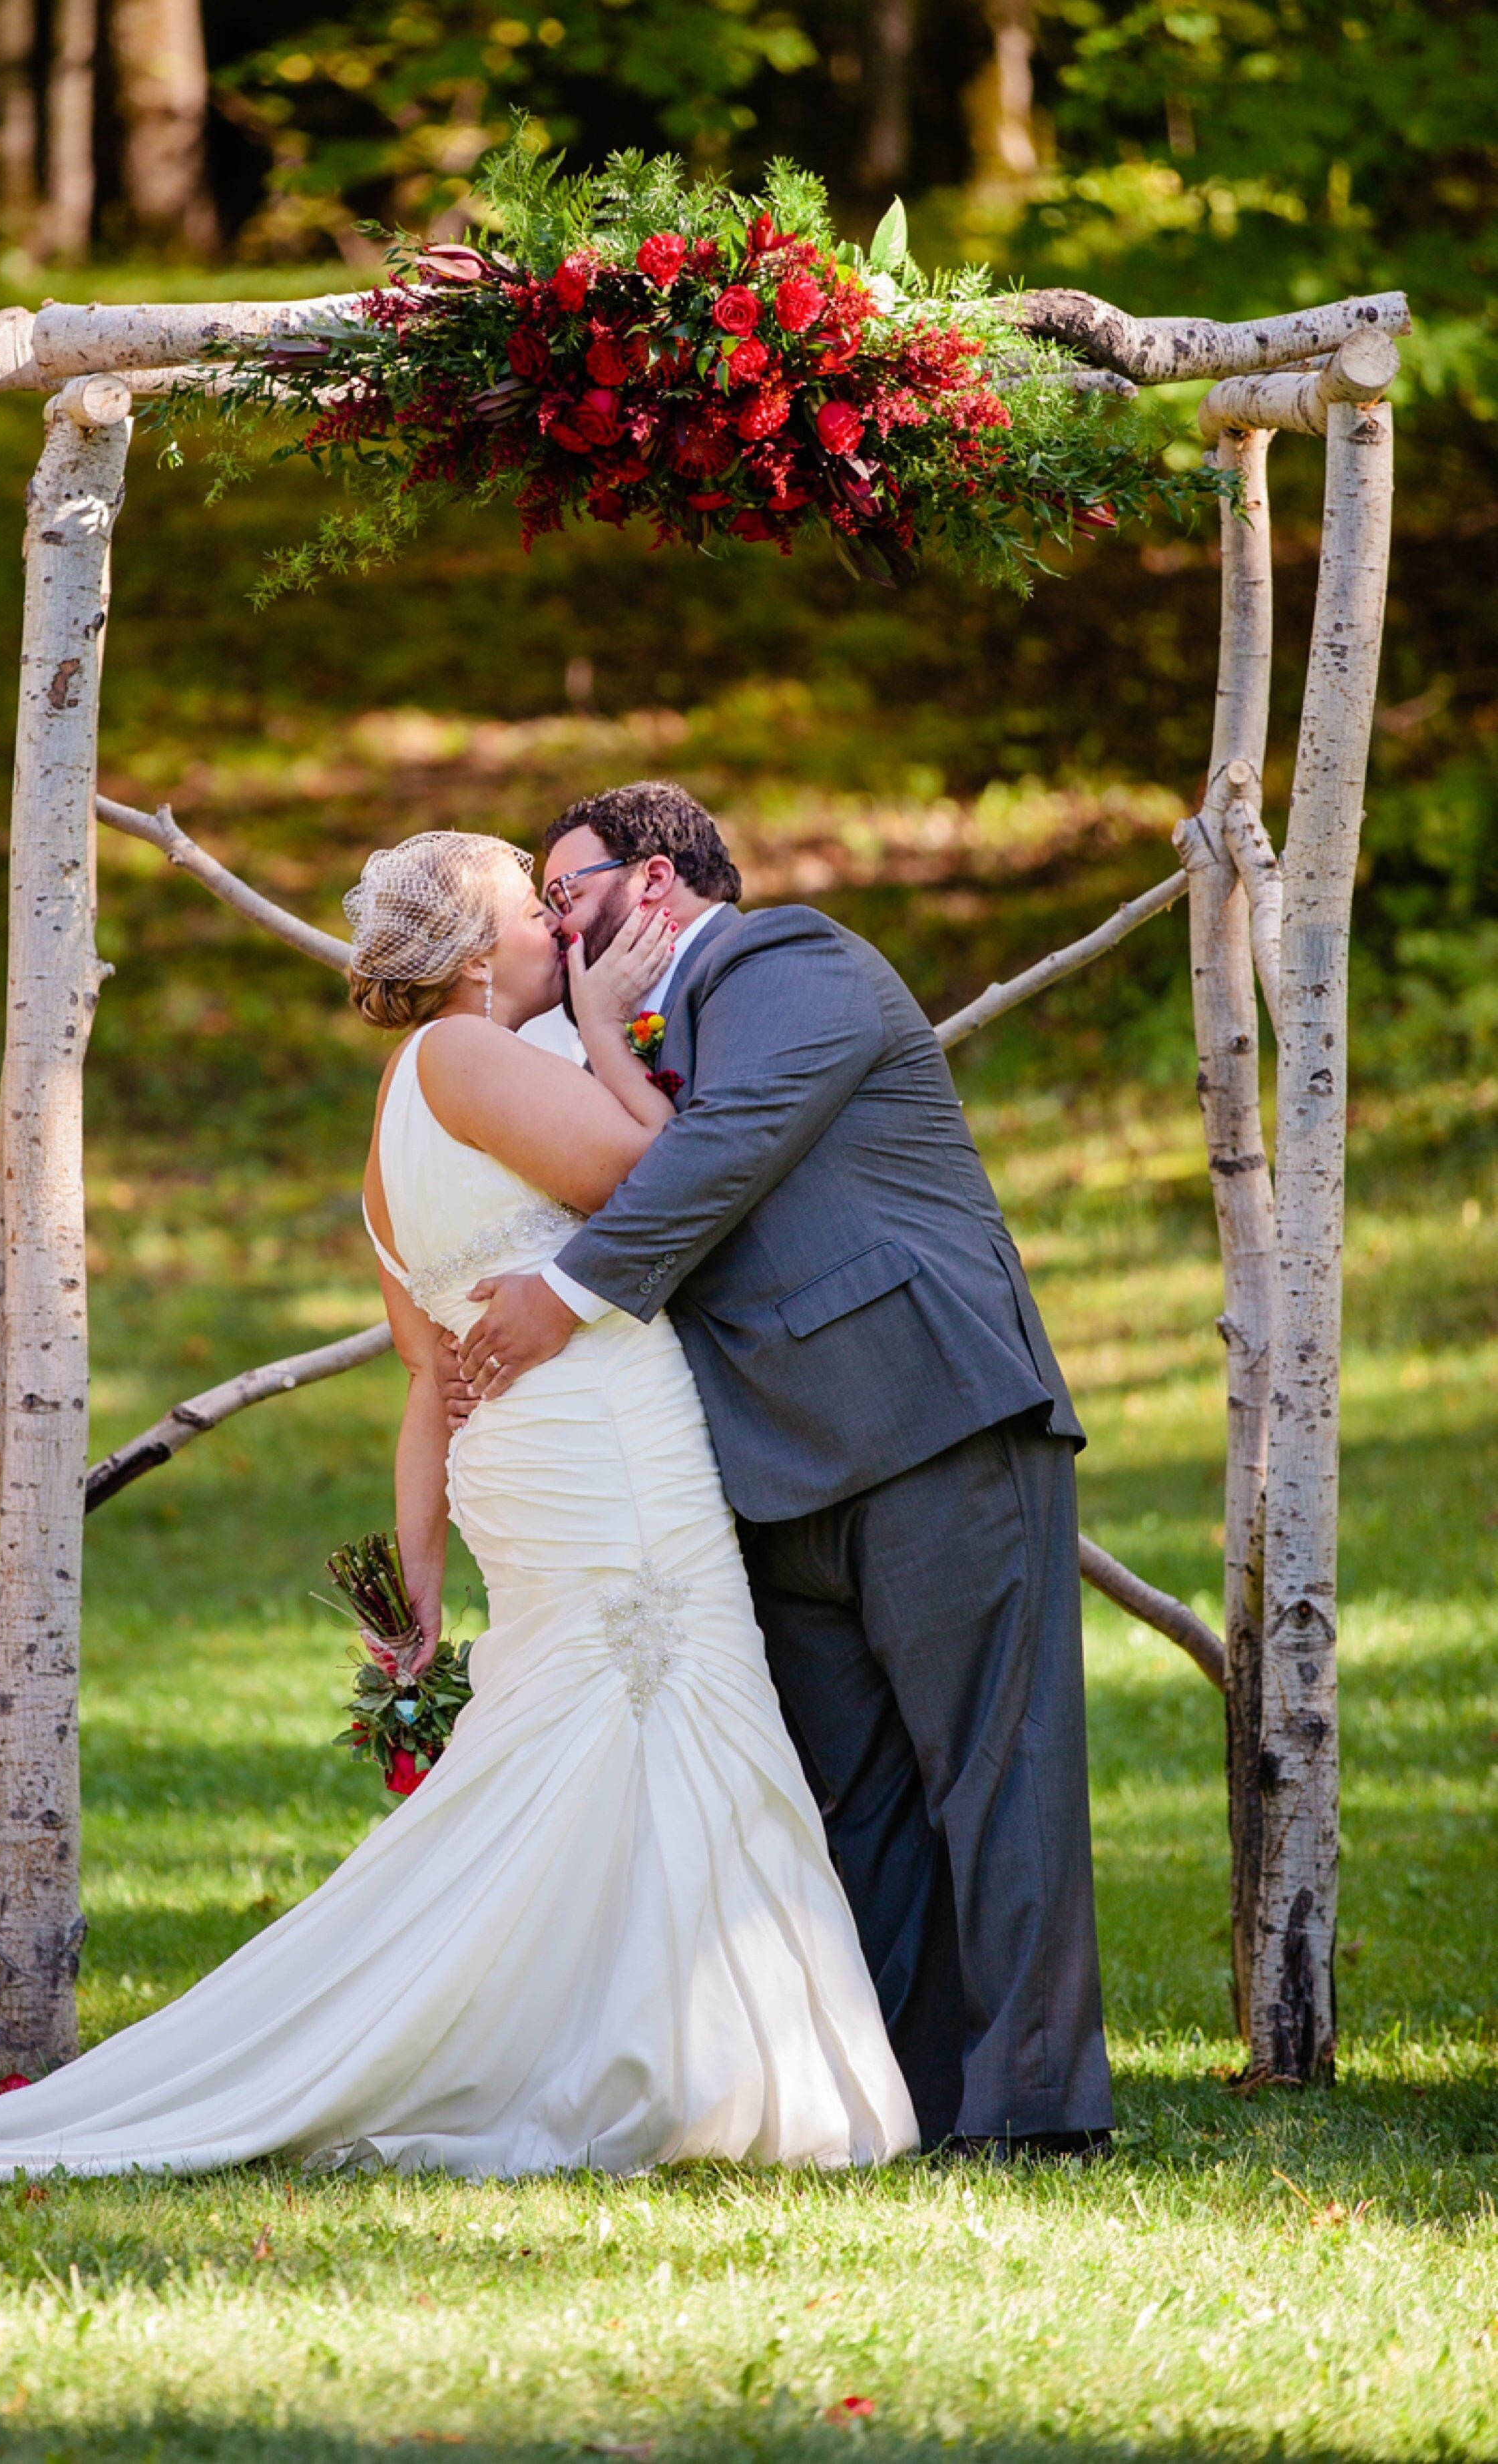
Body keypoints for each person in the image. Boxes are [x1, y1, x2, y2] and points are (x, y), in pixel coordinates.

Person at [0, 828, 914, 2181]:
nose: (562, 927)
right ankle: (683, 2065)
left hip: (539, 1455)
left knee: (603, 1727)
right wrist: (613, 1031)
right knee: (655, 1702)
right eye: (529, 906)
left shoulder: (396, 1124)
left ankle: (659, 2047)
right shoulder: (469, 1050)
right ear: (475, 952)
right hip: (600, 1444)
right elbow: (641, 1173)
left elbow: (426, 1380)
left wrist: (419, 1571)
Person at [455, 783, 1113, 2158]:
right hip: (767, 1476)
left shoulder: (784, 959)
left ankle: (1035, 2111)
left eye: (562, 893)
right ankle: (898, 2101)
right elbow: (637, 1149)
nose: (550, 922)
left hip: (928, 1420)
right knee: (853, 1809)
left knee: (998, 1774)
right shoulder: (609, 1042)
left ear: (650, 885)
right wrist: (585, 1033)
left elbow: (732, 1141)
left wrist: (568, 1293)